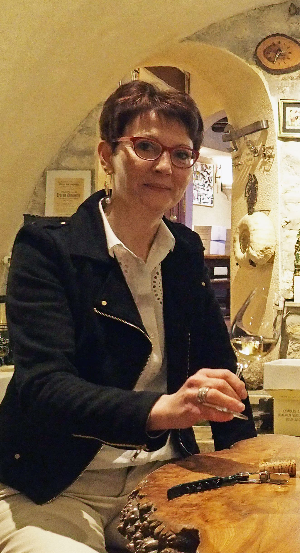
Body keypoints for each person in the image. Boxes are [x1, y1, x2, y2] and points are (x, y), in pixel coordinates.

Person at [0, 81, 256, 552]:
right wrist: (159, 411)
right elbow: (44, 387)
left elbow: (221, 374)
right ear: (106, 154)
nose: (165, 166)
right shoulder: (47, 248)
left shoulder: (183, 252)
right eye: (145, 147)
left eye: (182, 154)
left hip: (157, 480)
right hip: (52, 485)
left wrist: (249, 470)